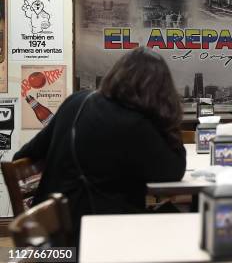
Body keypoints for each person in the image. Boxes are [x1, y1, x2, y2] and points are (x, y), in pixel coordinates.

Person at [13, 48, 186, 242]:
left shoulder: (76, 102)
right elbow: (173, 173)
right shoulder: (136, 124)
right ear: (160, 91)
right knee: (180, 225)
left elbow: (23, 155)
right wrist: (168, 120)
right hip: (93, 239)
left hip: (50, 237)